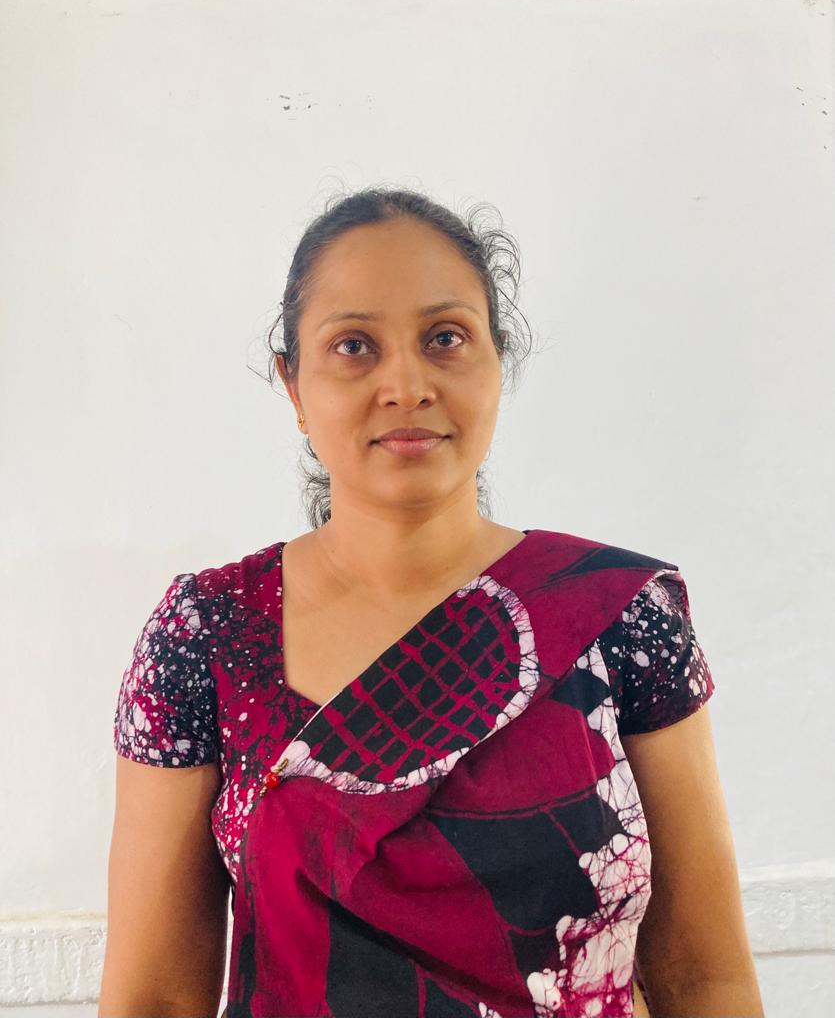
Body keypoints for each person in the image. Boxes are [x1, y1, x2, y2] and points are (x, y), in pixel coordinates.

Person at [100, 187, 763, 1017]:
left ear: (496, 360)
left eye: (445, 338)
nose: (406, 384)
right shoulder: (208, 636)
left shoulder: (619, 616)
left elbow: (704, 977)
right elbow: (155, 996)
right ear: (293, 385)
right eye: (353, 346)